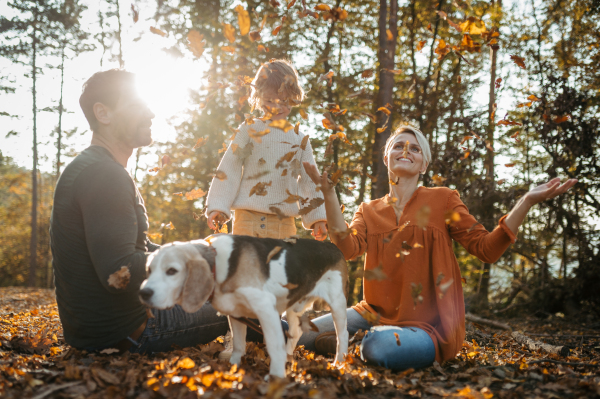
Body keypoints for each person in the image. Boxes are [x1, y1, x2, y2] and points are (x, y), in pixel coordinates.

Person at [300, 125, 577, 370]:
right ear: (387, 158)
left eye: (415, 148)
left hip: (429, 328)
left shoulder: (444, 200)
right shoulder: (369, 210)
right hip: (370, 315)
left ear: (423, 165)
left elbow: (486, 249)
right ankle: (343, 341)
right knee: (297, 332)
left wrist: (525, 201)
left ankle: (350, 344)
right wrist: (329, 193)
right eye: (398, 145)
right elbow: (347, 247)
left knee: (378, 346)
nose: (405, 150)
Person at [50, 69, 249, 354]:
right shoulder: (104, 174)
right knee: (246, 302)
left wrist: (201, 253)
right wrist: (198, 263)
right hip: (130, 330)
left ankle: (314, 329)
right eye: (137, 106)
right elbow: (118, 273)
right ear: (103, 113)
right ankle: (315, 335)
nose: (151, 113)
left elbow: (139, 250)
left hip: (103, 330)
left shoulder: (98, 168)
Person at [205, 59, 327, 241]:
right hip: (246, 218)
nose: (277, 107)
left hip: (283, 222)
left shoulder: (299, 139)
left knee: (280, 268)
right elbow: (230, 166)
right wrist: (218, 206)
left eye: (284, 101)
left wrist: (318, 218)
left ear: (294, 97)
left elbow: (309, 180)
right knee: (246, 266)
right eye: (270, 100)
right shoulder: (248, 129)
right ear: (259, 97)